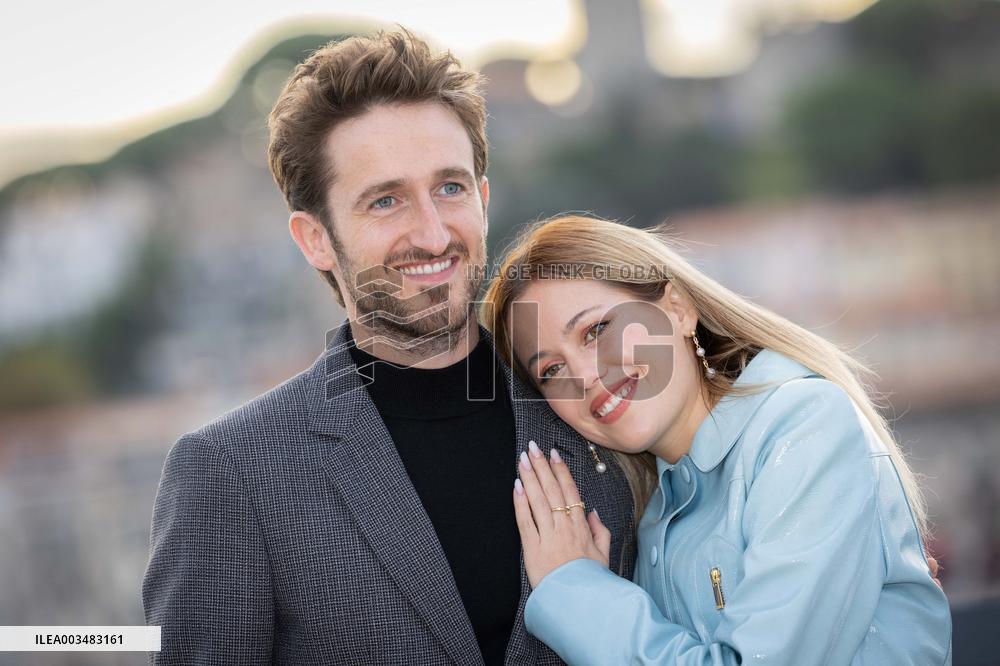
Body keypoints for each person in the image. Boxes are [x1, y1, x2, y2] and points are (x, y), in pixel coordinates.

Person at [141, 33, 637, 664]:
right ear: (316, 239)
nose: (432, 235)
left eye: (450, 188)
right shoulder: (229, 476)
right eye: (386, 200)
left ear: (483, 202)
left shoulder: (597, 413)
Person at [482, 214, 953, 665]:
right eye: (551, 370)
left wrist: (576, 591)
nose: (584, 376)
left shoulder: (805, 426)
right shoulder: (646, 518)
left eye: (597, 329)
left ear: (678, 309)